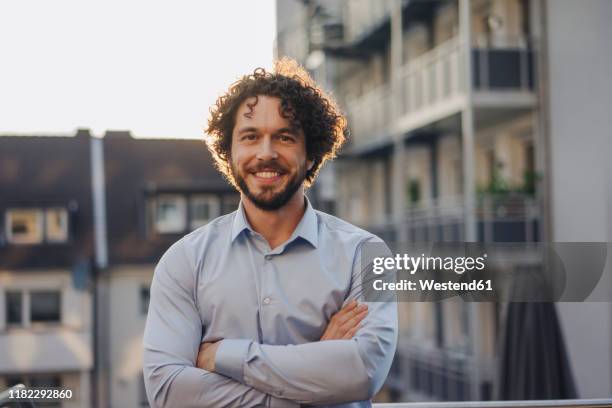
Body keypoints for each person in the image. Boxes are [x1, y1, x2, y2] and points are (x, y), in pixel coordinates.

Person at [143, 58, 398, 407]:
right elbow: (169, 392)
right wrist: (318, 371)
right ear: (228, 153)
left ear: (311, 155)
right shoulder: (184, 261)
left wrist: (225, 357)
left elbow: (363, 373)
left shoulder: (365, 255)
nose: (266, 153)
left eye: (284, 137)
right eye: (250, 137)